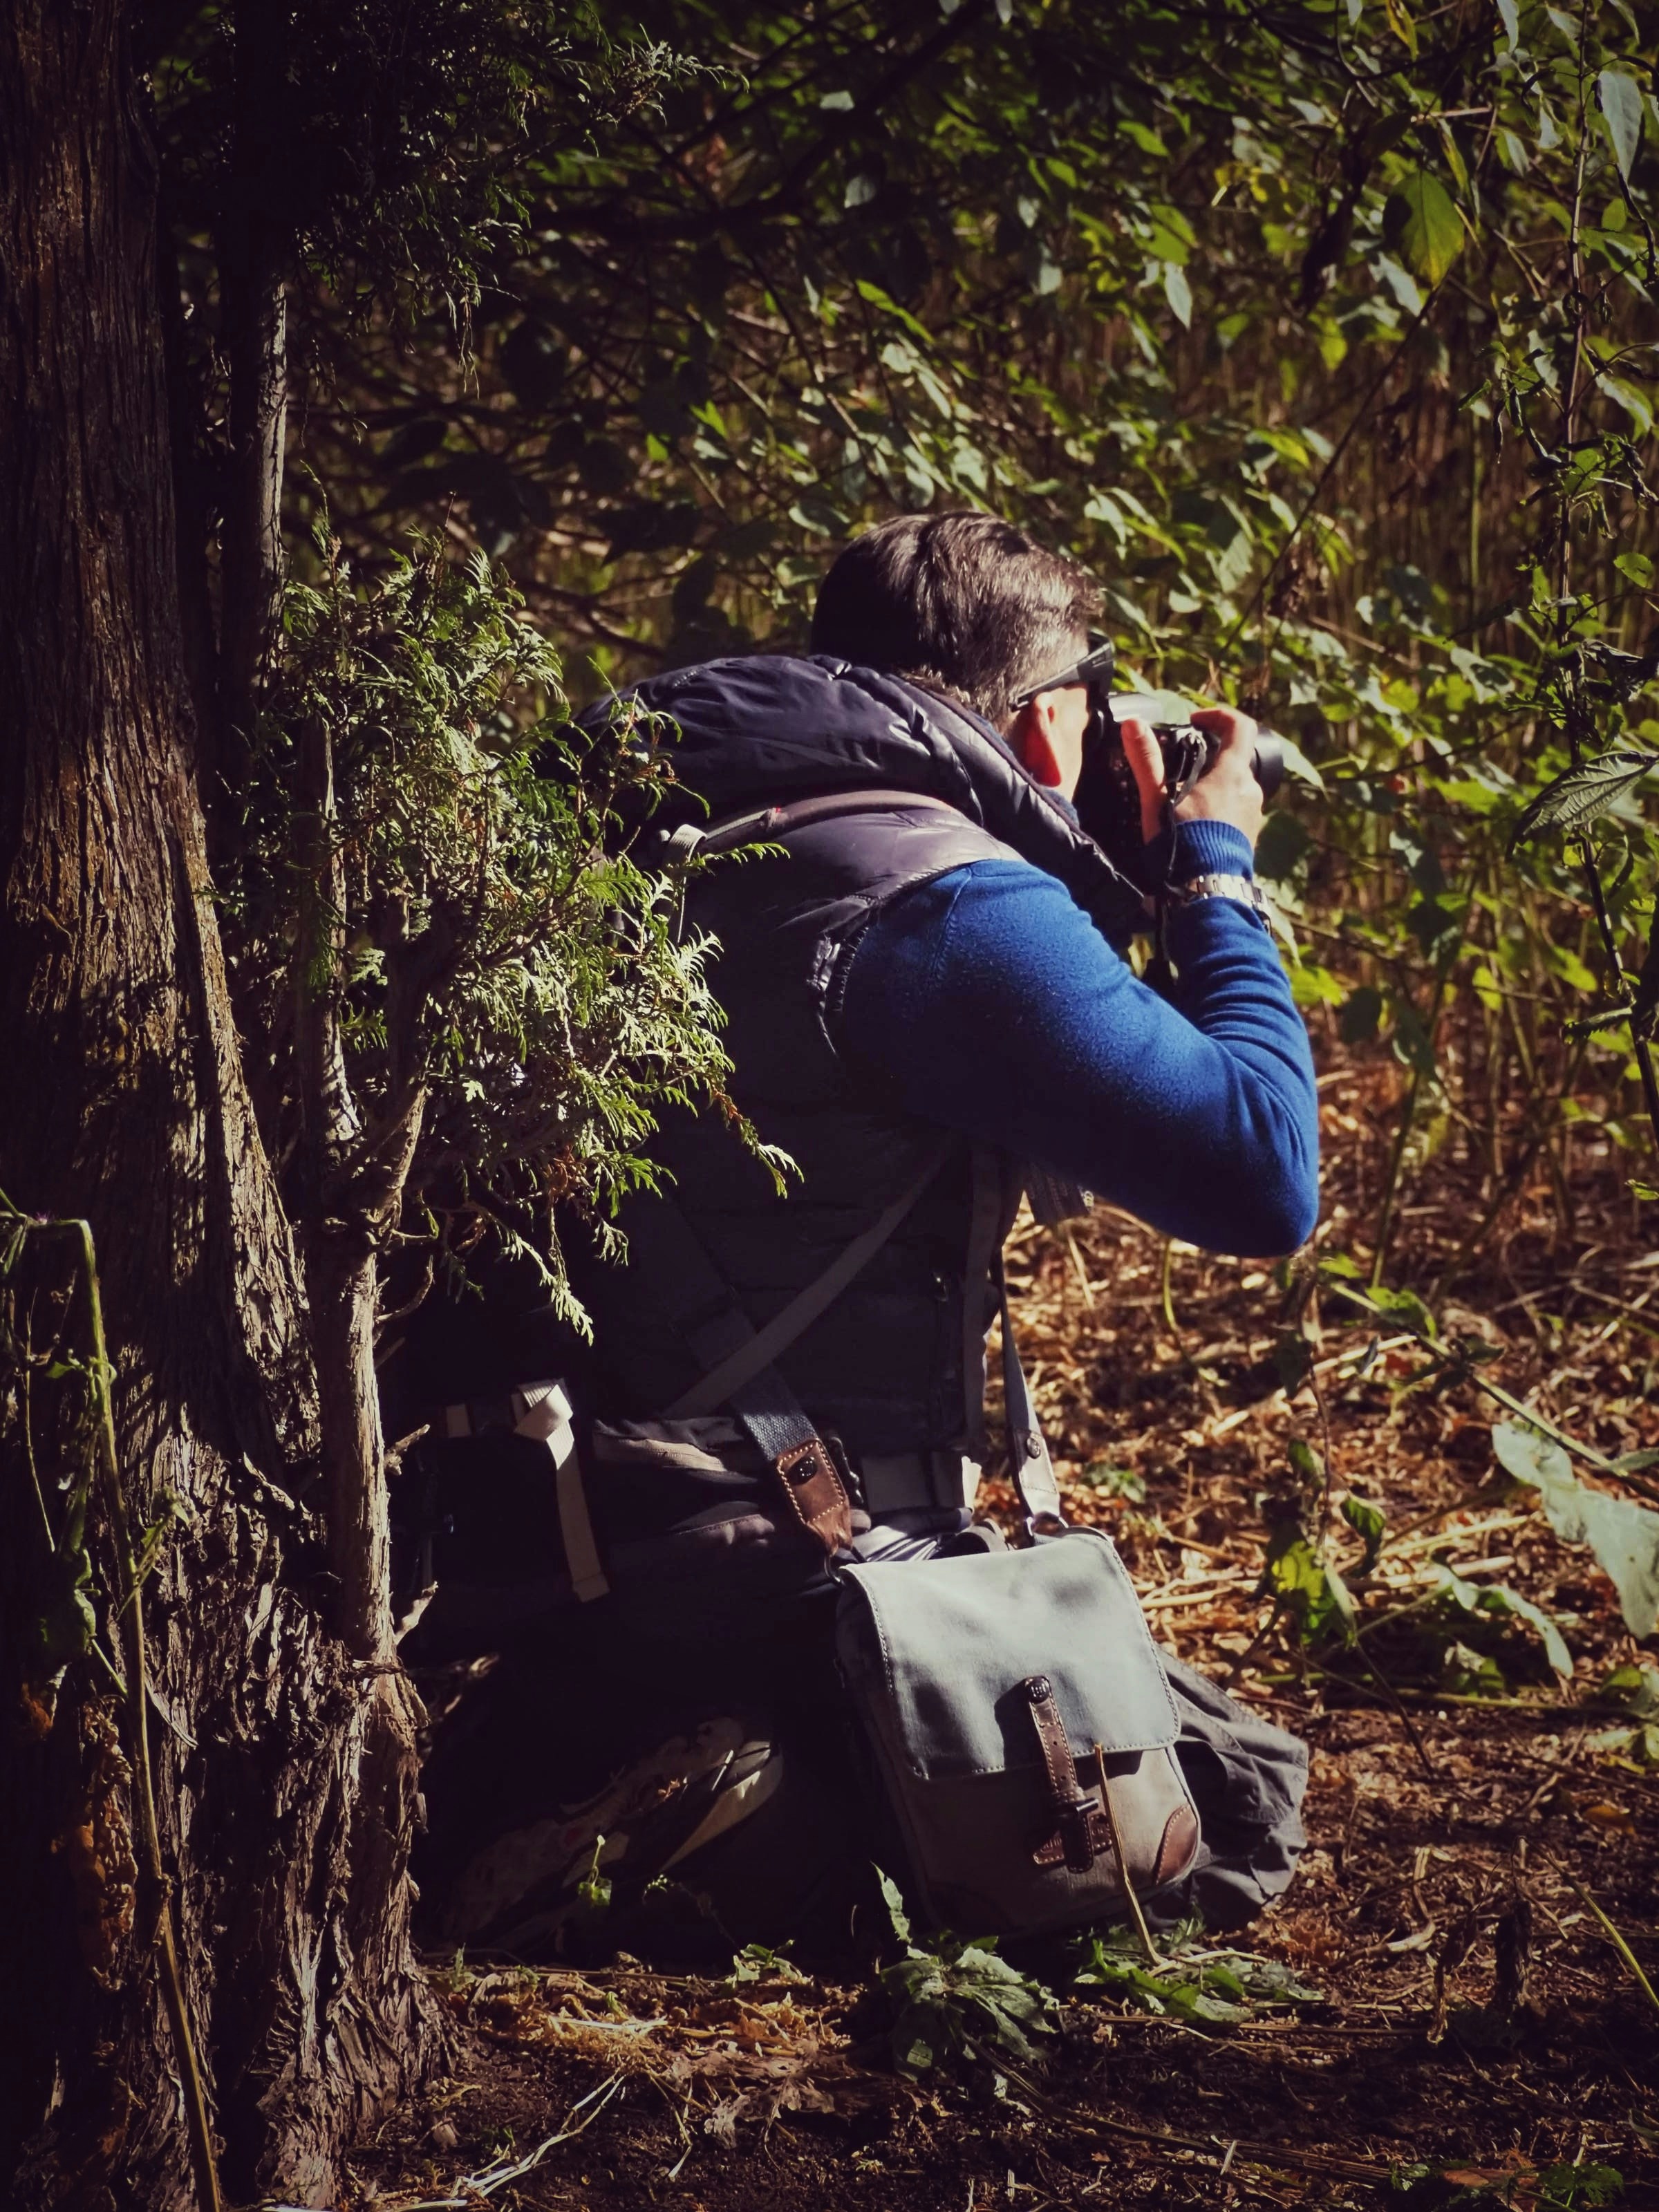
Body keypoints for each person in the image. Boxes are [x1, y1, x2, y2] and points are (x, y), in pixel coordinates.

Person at [406, 511, 1318, 1961]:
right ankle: (740, 1819)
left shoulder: (657, 833)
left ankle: (588, 1758)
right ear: (1044, 719)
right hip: (777, 1550)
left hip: (556, 1532)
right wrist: (1212, 869)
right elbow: (1263, 1172)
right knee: (1229, 1804)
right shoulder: (945, 902)